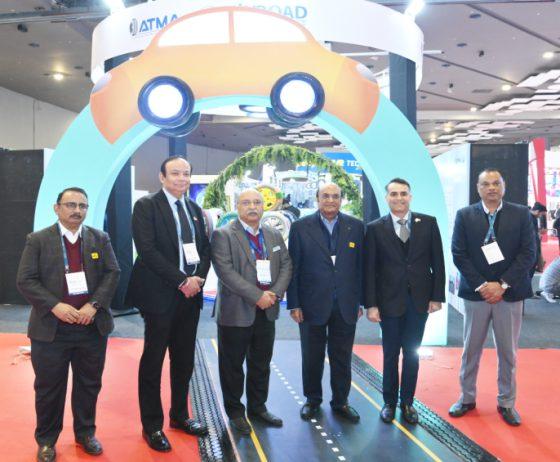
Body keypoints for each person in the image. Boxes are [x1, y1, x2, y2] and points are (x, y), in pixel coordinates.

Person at [16, 187, 120, 462]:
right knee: (49, 388)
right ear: (57, 208)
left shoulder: (99, 238)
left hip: (91, 326)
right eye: (71, 205)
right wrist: (55, 306)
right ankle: (46, 441)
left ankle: (85, 434)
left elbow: (113, 273)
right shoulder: (38, 240)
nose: (77, 211)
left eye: (82, 206)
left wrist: (93, 305)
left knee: (89, 384)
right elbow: (25, 280)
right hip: (51, 329)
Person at [126, 156, 211, 452]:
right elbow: (147, 251)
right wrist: (181, 280)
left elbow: (205, 250)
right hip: (159, 295)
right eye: (175, 173)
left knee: (184, 359)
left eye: (186, 174)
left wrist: (197, 279)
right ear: (162, 177)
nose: (181, 178)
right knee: (153, 361)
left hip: (190, 296)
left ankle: (180, 416)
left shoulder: (195, 210)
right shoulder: (146, 206)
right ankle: (152, 426)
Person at [449, 168, 535, 426]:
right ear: (478, 188)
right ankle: (466, 398)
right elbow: (459, 253)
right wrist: (483, 285)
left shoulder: (521, 214)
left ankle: (506, 402)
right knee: (470, 350)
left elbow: (528, 253)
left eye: (496, 183)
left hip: (510, 294)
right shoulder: (465, 215)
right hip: (477, 295)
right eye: (486, 184)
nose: (491, 188)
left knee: (508, 352)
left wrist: (503, 284)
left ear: (503, 186)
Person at [363, 178, 445, 425]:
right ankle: (389, 402)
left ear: (410, 196)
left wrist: (437, 297)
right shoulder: (375, 228)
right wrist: (371, 304)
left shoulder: (428, 223)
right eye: (394, 194)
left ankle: (407, 402)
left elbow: (438, 263)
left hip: (419, 302)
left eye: (403, 193)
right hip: (388, 302)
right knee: (390, 354)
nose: (399, 198)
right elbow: (369, 270)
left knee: (412, 353)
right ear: (386, 197)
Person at [211, 189, 292, 435]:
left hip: (267, 310)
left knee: (261, 363)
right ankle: (236, 412)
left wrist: (274, 294)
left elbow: (286, 265)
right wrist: (258, 296)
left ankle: (258, 407)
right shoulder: (223, 234)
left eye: (257, 202)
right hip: (236, 311)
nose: (253, 207)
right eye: (246, 202)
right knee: (232, 366)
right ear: (237, 206)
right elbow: (225, 272)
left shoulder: (273, 234)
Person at [287, 183, 364, 423]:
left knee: (342, 356)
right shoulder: (300, 227)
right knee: (312, 356)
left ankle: (341, 401)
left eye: (335, 196)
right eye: (326, 196)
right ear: (317, 198)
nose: (331, 200)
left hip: (346, 304)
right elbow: (293, 268)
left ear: (341, 199)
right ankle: (312, 400)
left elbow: (362, 267)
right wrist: (294, 303)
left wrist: (361, 302)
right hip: (310, 304)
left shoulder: (356, 226)